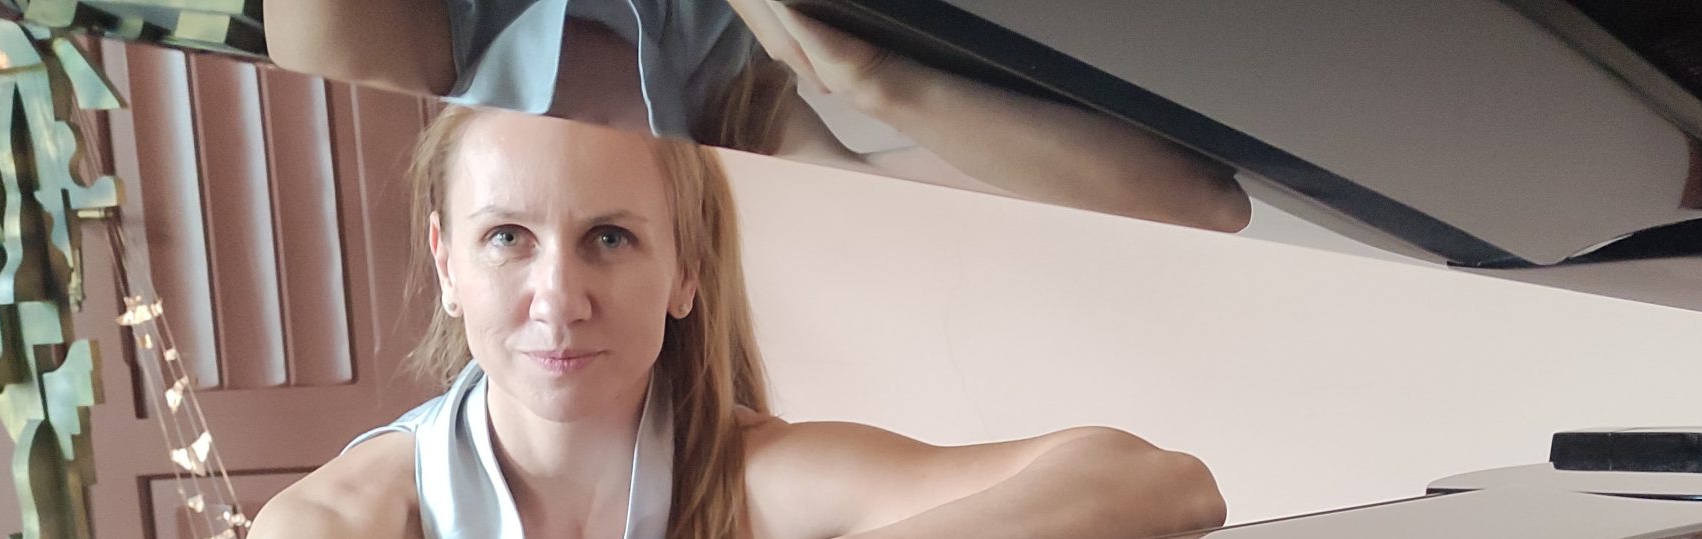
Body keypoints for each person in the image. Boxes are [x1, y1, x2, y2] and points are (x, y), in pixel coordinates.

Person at [229, 106, 1223, 539]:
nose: (558, 299)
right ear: (447, 264)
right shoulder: (325, 534)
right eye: (507, 238)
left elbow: (1167, 490)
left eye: (608, 237)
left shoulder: (754, 477)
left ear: (685, 271)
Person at [263, 0, 1250, 232]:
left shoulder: (359, 53)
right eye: (611, 238)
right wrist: (872, 81)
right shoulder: (733, 108)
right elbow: (1207, 202)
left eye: (509, 238)